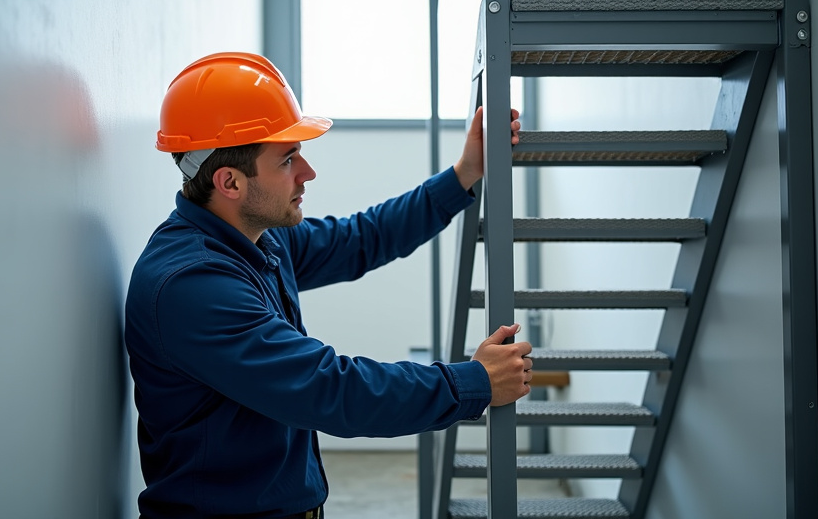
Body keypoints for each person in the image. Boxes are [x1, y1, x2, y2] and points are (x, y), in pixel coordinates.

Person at [125, 52, 532, 519]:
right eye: (288, 159)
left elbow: (362, 238)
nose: (308, 172)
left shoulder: (256, 238)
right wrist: (473, 382)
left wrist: (464, 174)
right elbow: (332, 390)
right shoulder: (193, 285)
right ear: (230, 182)